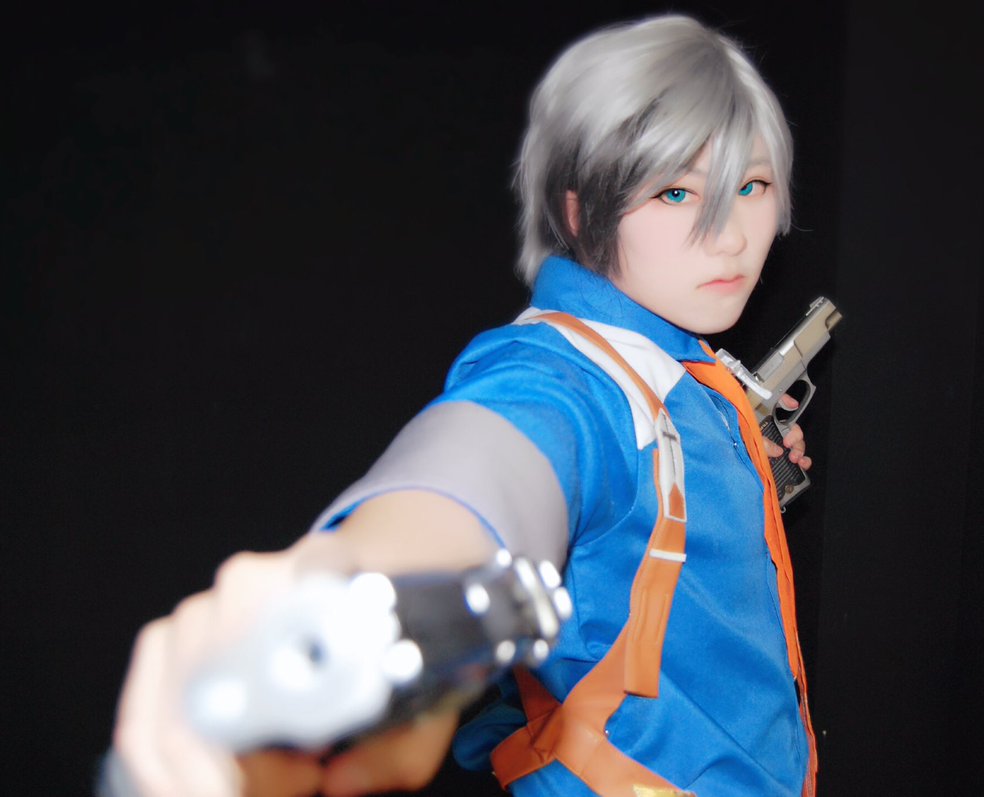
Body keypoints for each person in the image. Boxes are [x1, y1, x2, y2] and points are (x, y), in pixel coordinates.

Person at [109, 14, 818, 797]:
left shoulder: (679, 359)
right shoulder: (565, 374)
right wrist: (354, 595)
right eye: (676, 192)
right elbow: (494, 457)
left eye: (751, 186)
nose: (730, 237)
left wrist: (739, 463)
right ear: (581, 213)